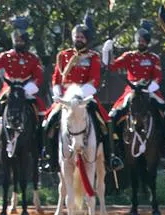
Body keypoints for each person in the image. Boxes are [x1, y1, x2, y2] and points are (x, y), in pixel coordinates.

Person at [40, 11, 123, 173]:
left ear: (87, 39)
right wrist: (57, 91)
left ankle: (110, 156)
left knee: (105, 121)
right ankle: (48, 157)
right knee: (47, 122)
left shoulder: (94, 57)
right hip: (65, 98)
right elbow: (57, 77)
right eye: (76, 36)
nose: (78, 39)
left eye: (82, 37)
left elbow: (94, 80)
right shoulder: (63, 55)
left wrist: (79, 94)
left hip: (84, 97)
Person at [0, 16, 44, 163]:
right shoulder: (6, 56)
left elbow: (38, 77)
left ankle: (40, 148)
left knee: (41, 115)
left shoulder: (32, 58)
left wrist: (30, 88)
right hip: (9, 90)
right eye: (16, 40)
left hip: (26, 90)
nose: (18, 42)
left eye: (21, 40)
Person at [106, 19, 165, 162]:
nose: (141, 43)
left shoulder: (154, 58)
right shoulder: (129, 56)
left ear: (147, 42)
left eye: (143, 41)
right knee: (113, 115)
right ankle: (115, 146)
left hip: (148, 89)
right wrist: (107, 52)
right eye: (139, 40)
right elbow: (112, 66)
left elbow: (158, 77)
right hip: (132, 90)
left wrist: (150, 87)